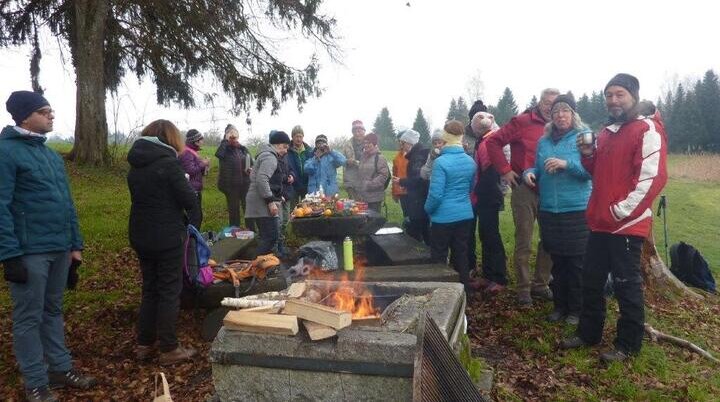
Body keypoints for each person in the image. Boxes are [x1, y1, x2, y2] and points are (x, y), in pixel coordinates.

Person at [561, 74, 668, 363]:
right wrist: (587, 155)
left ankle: (628, 345)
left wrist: (619, 212)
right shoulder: (608, 131)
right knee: (592, 280)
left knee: (626, 284)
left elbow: (652, 178)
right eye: (609, 95)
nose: (613, 100)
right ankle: (588, 333)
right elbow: (599, 171)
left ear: (633, 95)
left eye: (619, 94)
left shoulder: (647, 129)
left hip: (626, 224)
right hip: (599, 223)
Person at [1, 91, 96, 402]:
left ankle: (60, 368)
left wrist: (75, 247)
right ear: (25, 116)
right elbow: (1, 206)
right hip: (29, 252)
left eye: (51, 110)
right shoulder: (6, 153)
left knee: (53, 310)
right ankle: (35, 382)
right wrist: (10, 255)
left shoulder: (51, 155)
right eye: (44, 111)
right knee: (29, 316)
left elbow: (66, 204)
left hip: (59, 249)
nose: (51, 115)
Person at [127, 119, 199, 368]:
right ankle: (169, 347)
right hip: (166, 236)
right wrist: (187, 181)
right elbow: (189, 199)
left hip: (141, 234)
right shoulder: (169, 165)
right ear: (171, 139)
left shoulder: (136, 165)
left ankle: (144, 344)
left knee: (150, 288)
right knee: (169, 289)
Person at [486, 88, 559, 306]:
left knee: (550, 240)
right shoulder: (523, 121)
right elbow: (493, 142)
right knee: (524, 239)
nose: (550, 107)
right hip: (524, 190)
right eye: (546, 103)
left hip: (552, 190)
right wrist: (505, 170)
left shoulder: (562, 126)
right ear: (540, 102)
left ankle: (541, 283)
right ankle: (523, 287)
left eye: (554, 104)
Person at [523, 94, 592, 324]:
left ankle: (576, 309)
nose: (560, 115)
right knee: (557, 260)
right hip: (549, 209)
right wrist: (529, 174)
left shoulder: (583, 137)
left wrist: (566, 164)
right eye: (556, 112)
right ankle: (559, 306)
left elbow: (590, 171)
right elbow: (537, 168)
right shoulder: (544, 141)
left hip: (576, 208)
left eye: (565, 111)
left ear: (573, 114)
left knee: (575, 262)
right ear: (551, 116)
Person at [424, 120, 479, 295]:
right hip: (464, 215)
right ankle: (464, 290)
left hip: (442, 218)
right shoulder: (470, 161)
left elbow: (436, 195)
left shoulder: (441, 163)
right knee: (461, 253)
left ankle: (440, 291)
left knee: (439, 255)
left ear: (445, 138)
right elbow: (470, 189)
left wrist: (428, 209)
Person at [470, 111, 509, 295]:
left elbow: (490, 172)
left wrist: (478, 191)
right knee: (485, 235)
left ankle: (499, 277)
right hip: (483, 195)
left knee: (492, 236)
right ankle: (487, 275)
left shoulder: (489, 142)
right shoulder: (483, 140)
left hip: (488, 195)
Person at [245, 131, 292, 255]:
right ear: (278, 145)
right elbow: (262, 179)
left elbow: (271, 180)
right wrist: (270, 201)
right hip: (261, 203)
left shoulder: (266, 155)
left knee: (267, 237)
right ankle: (253, 266)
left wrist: (277, 195)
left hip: (260, 201)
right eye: (285, 147)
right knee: (270, 238)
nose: (286, 151)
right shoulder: (270, 157)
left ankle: (262, 264)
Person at [394, 130, 431, 244]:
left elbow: (418, 179)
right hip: (419, 198)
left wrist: (402, 181)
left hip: (418, 200)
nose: (401, 145)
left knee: (418, 230)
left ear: (409, 143)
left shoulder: (417, 156)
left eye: (403, 142)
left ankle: (422, 255)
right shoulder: (418, 154)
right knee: (424, 228)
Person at [216, 124, 254, 227]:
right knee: (234, 212)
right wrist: (226, 140)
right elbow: (219, 154)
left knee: (248, 209)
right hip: (231, 186)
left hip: (245, 184)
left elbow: (251, 162)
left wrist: (250, 169)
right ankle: (234, 235)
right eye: (230, 135)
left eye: (235, 135)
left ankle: (252, 232)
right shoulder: (224, 149)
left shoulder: (242, 148)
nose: (233, 138)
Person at [179, 128, 210, 229]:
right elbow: (190, 171)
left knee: (197, 217)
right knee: (195, 218)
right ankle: (191, 242)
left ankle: (193, 240)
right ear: (195, 141)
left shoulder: (192, 152)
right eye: (201, 139)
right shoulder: (187, 153)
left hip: (195, 189)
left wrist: (204, 167)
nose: (202, 141)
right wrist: (203, 164)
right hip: (191, 190)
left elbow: (196, 170)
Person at [356, 133, 390, 212]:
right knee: (363, 221)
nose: (366, 145)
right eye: (364, 143)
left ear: (374, 144)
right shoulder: (363, 157)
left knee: (373, 221)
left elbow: (384, 175)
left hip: (374, 198)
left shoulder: (379, 157)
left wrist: (369, 185)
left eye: (368, 143)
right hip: (363, 197)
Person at [287, 125, 314, 207]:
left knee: (306, 209)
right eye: (296, 136)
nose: (298, 139)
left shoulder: (309, 151)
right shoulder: (287, 151)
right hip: (293, 186)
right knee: (293, 210)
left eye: (300, 136)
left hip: (306, 184)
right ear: (292, 137)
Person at [341, 120, 366, 199]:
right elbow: (342, 160)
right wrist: (348, 161)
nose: (357, 133)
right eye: (355, 131)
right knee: (353, 207)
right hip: (351, 182)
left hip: (365, 181)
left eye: (359, 131)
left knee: (365, 206)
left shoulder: (370, 143)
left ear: (364, 131)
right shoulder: (347, 144)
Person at [392, 130, 413, 219]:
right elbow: (394, 175)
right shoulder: (397, 157)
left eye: (402, 141)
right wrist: (394, 192)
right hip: (402, 192)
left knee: (415, 216)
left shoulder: (415, 155)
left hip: (413, 191)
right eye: (399, 141)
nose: (401, 143)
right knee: (406, 215)